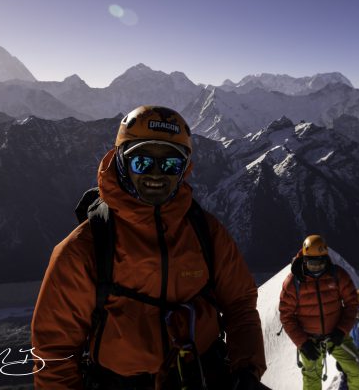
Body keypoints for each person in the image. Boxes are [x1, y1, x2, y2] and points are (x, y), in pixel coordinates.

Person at [31, 105, 267, 389]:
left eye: (170, 164)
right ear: (120, 161)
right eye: (141, 162)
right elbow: (54, 349)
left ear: (184, 169)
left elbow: (239, 304)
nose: (156, 174)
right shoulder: (85, 248)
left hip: (205, 376)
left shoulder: (206, 232)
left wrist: (247, 371)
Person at [278, 235, 359, 390]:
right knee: (312, 377)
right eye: (312, 264)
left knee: (357, 369)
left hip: (336, 334)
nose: (317, 268)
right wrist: (303, 343)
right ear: (304, 260)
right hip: (309, 339)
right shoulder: (294, 283)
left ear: (326, 259)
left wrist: (341, 330)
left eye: (320, 263)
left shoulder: (337, 275)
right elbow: (286, 316)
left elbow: (351, 303)